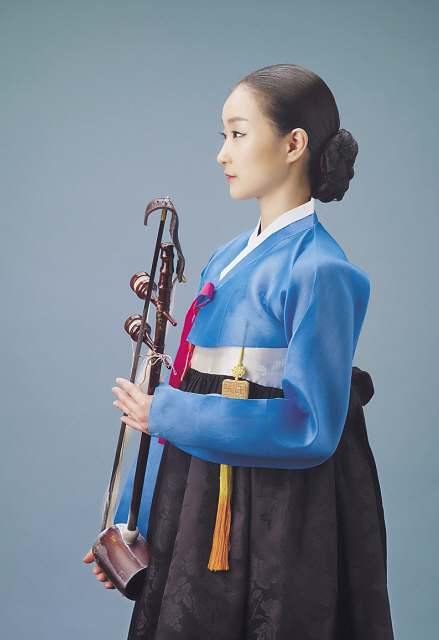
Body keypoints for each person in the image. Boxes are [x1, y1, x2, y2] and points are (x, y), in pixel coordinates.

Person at [84, 64, 394, 639]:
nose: (222, 154)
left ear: (294, 143)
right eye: (222, 136)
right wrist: (136, 520)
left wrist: (165, 413)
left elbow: (311, 428)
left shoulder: (321, 271)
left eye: (238, 133)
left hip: (278, 513)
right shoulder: (224, 258)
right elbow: (180, 385)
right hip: (197, 500)